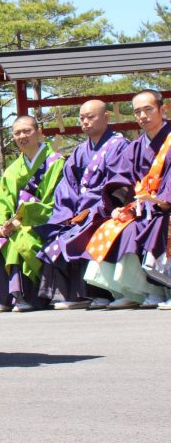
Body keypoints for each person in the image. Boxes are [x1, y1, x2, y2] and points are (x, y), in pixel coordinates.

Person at [0, 116, 64, 312]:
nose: (22, 136)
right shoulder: (12, 170)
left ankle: (24, 296)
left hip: (43, 221)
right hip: (14, 222)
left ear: (39, 132)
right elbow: (1, 202)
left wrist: (20, 220)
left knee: (20, 238)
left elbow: (54, 201)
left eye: (27, 131)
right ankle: (3, 296)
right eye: (17, 133)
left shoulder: (56, 163)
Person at [33, 100, 126, 309]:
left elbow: (118, 184)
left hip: (104, 209)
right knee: (60, 231)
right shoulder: (80, 151)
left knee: (84, 230)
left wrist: (94, 209)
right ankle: (72, 295)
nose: (85, 121)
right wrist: (67, 213)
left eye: (90, 116)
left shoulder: (118, 145)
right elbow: (67, 186)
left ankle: (99, 293)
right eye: (82, 118)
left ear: (106, 117)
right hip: (79, 210)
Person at [85, 90, 171, 308]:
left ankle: (164, 289)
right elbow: (120, 179)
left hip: (165, 206)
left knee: (157, 225)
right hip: (145, 206)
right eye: (137, 112)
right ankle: (140, 291)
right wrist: (117, 205)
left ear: (163, 109)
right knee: (118, 226)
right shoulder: (136, 146)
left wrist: (161, 200)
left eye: (148, 110)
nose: (142, 116)